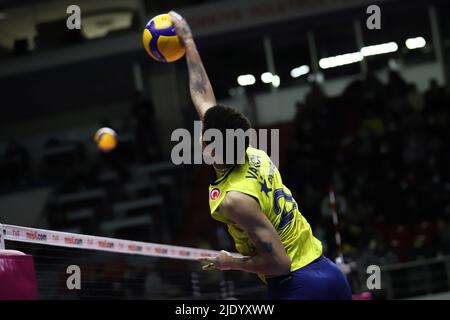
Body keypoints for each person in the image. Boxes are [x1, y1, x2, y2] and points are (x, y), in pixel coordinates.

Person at [169, 11, 352, 300]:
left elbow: (279, 263)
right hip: (328, 273)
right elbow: (202, 94)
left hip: (298, 286)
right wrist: (188, 41)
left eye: (204, 135)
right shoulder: (252, 151)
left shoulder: (235, 200)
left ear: (212, 147)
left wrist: (231, 263)